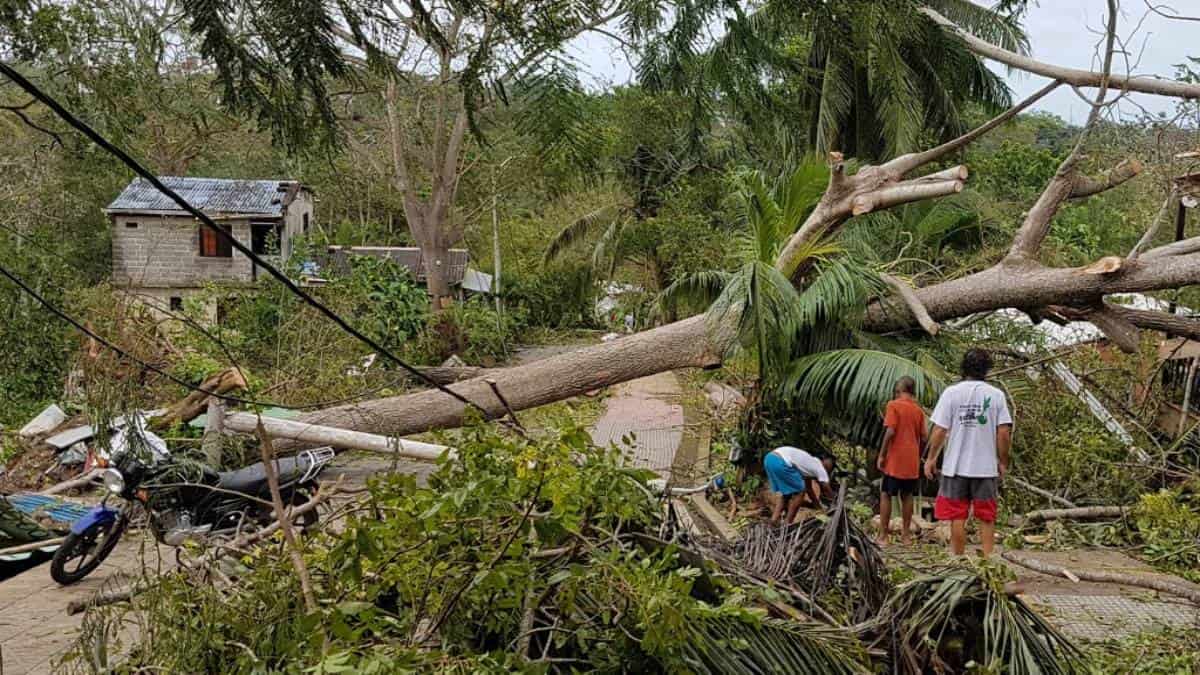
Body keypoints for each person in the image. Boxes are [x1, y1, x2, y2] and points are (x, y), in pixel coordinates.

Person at [924, 349, 1013, 557]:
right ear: (987, 370)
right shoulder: (996, 395)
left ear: (963, 368)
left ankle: (959, 559)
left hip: (956, 467)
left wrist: (931, 459)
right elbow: (1003, 432)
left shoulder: (951, 393)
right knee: (987, 516)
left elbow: (939, 430)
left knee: (957, 516)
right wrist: (1002, 461)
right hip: (985, 467)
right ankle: (988, 561)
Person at [877, 376, 926, 545]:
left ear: (899, 390)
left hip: (895, 460)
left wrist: (882, 455)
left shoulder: (893, 405)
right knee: (907, 495)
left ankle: (883, 536)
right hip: (911, 460)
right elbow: (924, 438)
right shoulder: (918, 411)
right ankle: (906, 536)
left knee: (886, 494)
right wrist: (917, 456)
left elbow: (890, 431)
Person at [763, 446, 835, 525]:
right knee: (800, 492)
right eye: (831, 463)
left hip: (769, 459)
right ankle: (787, 523)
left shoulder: (809, 465)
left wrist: (819, 509)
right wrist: (835, 502)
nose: (830, 466)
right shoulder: (819, 467)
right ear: (824, 460)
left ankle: (773, 520)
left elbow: (809, 490)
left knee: (786, 494)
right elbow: (826, 487)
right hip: (780, 461)